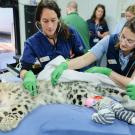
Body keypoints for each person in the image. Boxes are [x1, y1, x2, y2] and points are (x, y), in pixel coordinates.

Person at [51, 17, 135, 100]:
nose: (123, 42)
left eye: (130, 41)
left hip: (129, 95)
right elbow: (85, 59)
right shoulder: (109, 41)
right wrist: (65, 65)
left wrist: (107, 72)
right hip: (110, 90)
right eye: (122, 36)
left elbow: (132, 83)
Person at [20, 0, 85, 96]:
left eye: (53, 20)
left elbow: (82, 58)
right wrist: (27, 76)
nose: (50, 26)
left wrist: (67, 64)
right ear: (39, 21)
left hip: (71, 84)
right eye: (45, 21)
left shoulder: (70, 33)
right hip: (49, 88)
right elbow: (24, 69)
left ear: (58, 18)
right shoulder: (32, 43)